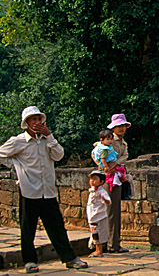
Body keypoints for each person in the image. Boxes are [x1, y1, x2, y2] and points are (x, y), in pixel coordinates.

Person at [0, 106, 88, 273]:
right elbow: (1, 153)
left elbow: (59, 156)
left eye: (39, 119)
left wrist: (49, 136)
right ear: (26, 123)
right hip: (29, 189)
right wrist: (16, 165)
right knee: (28, 228)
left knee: (56, 226)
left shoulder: (48, 140)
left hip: (47, 190)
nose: (37, 122)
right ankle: (30, 261)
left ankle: (69, 258)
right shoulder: (18, 141)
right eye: (33, 119)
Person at [105, 113, 131, 253]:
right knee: (110, 211)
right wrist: (106, 165)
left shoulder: (123, 142)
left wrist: (116, 164)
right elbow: (97, 153)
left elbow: (125, 157)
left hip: (117, 176)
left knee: (115, 210)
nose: (121, 129)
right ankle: (110, 244)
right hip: (108, 177)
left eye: (123, 126)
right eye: (118, 126)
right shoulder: (109, 140)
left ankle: (115, 243)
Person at [86, 170, 111, 257]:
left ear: (101, 182)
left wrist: (103, 198)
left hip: (99, 216)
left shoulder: (102, 192)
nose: (92, 181)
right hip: (92, 216)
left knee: (98, 233)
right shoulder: (92, 191)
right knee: (94, 233)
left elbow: (108, 201)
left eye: (95, 179)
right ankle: (97, 249)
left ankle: (99, 250)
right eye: (91, 179)